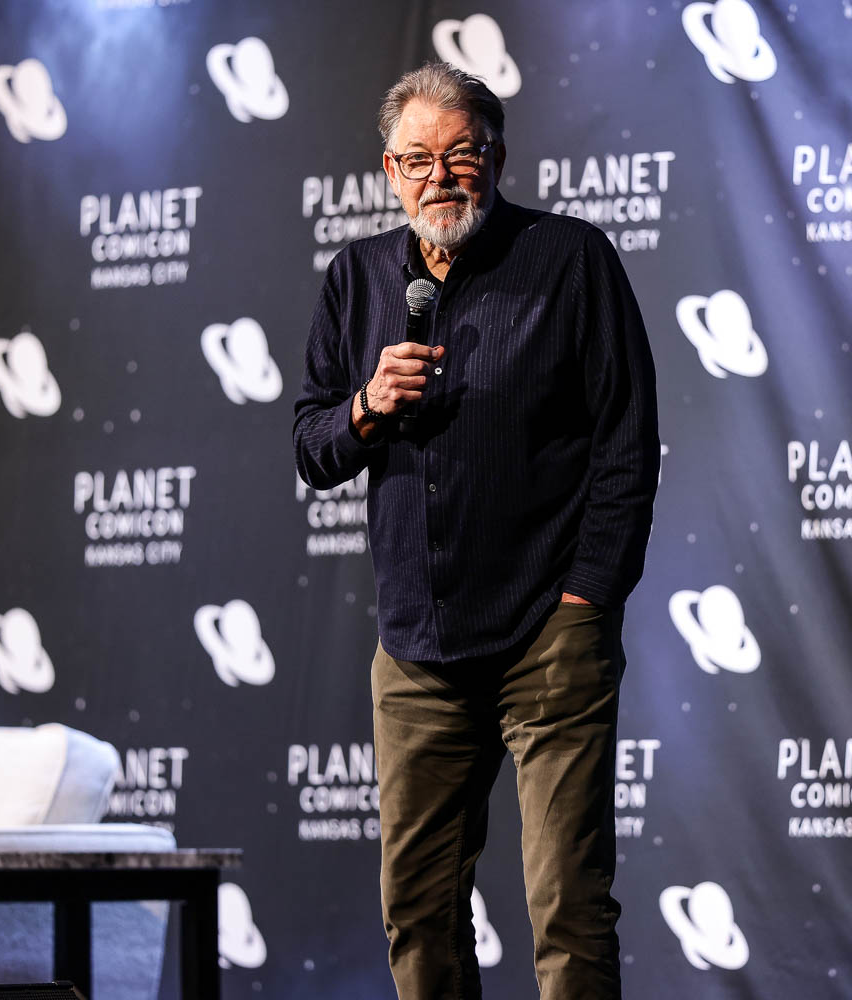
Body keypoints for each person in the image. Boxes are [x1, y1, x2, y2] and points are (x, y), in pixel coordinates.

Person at [292, 62, 659, 1000]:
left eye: (461, 155)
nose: (439, 177)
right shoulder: (357, 279)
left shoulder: (571, 259)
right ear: (388, 171)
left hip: (549, 632)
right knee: (418, 909)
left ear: (497, 157)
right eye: (417, 160)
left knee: (568, 906)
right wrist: (368, 407)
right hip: (417, 645)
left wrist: (588, 599)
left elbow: (625, 441)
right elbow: (313, 445)